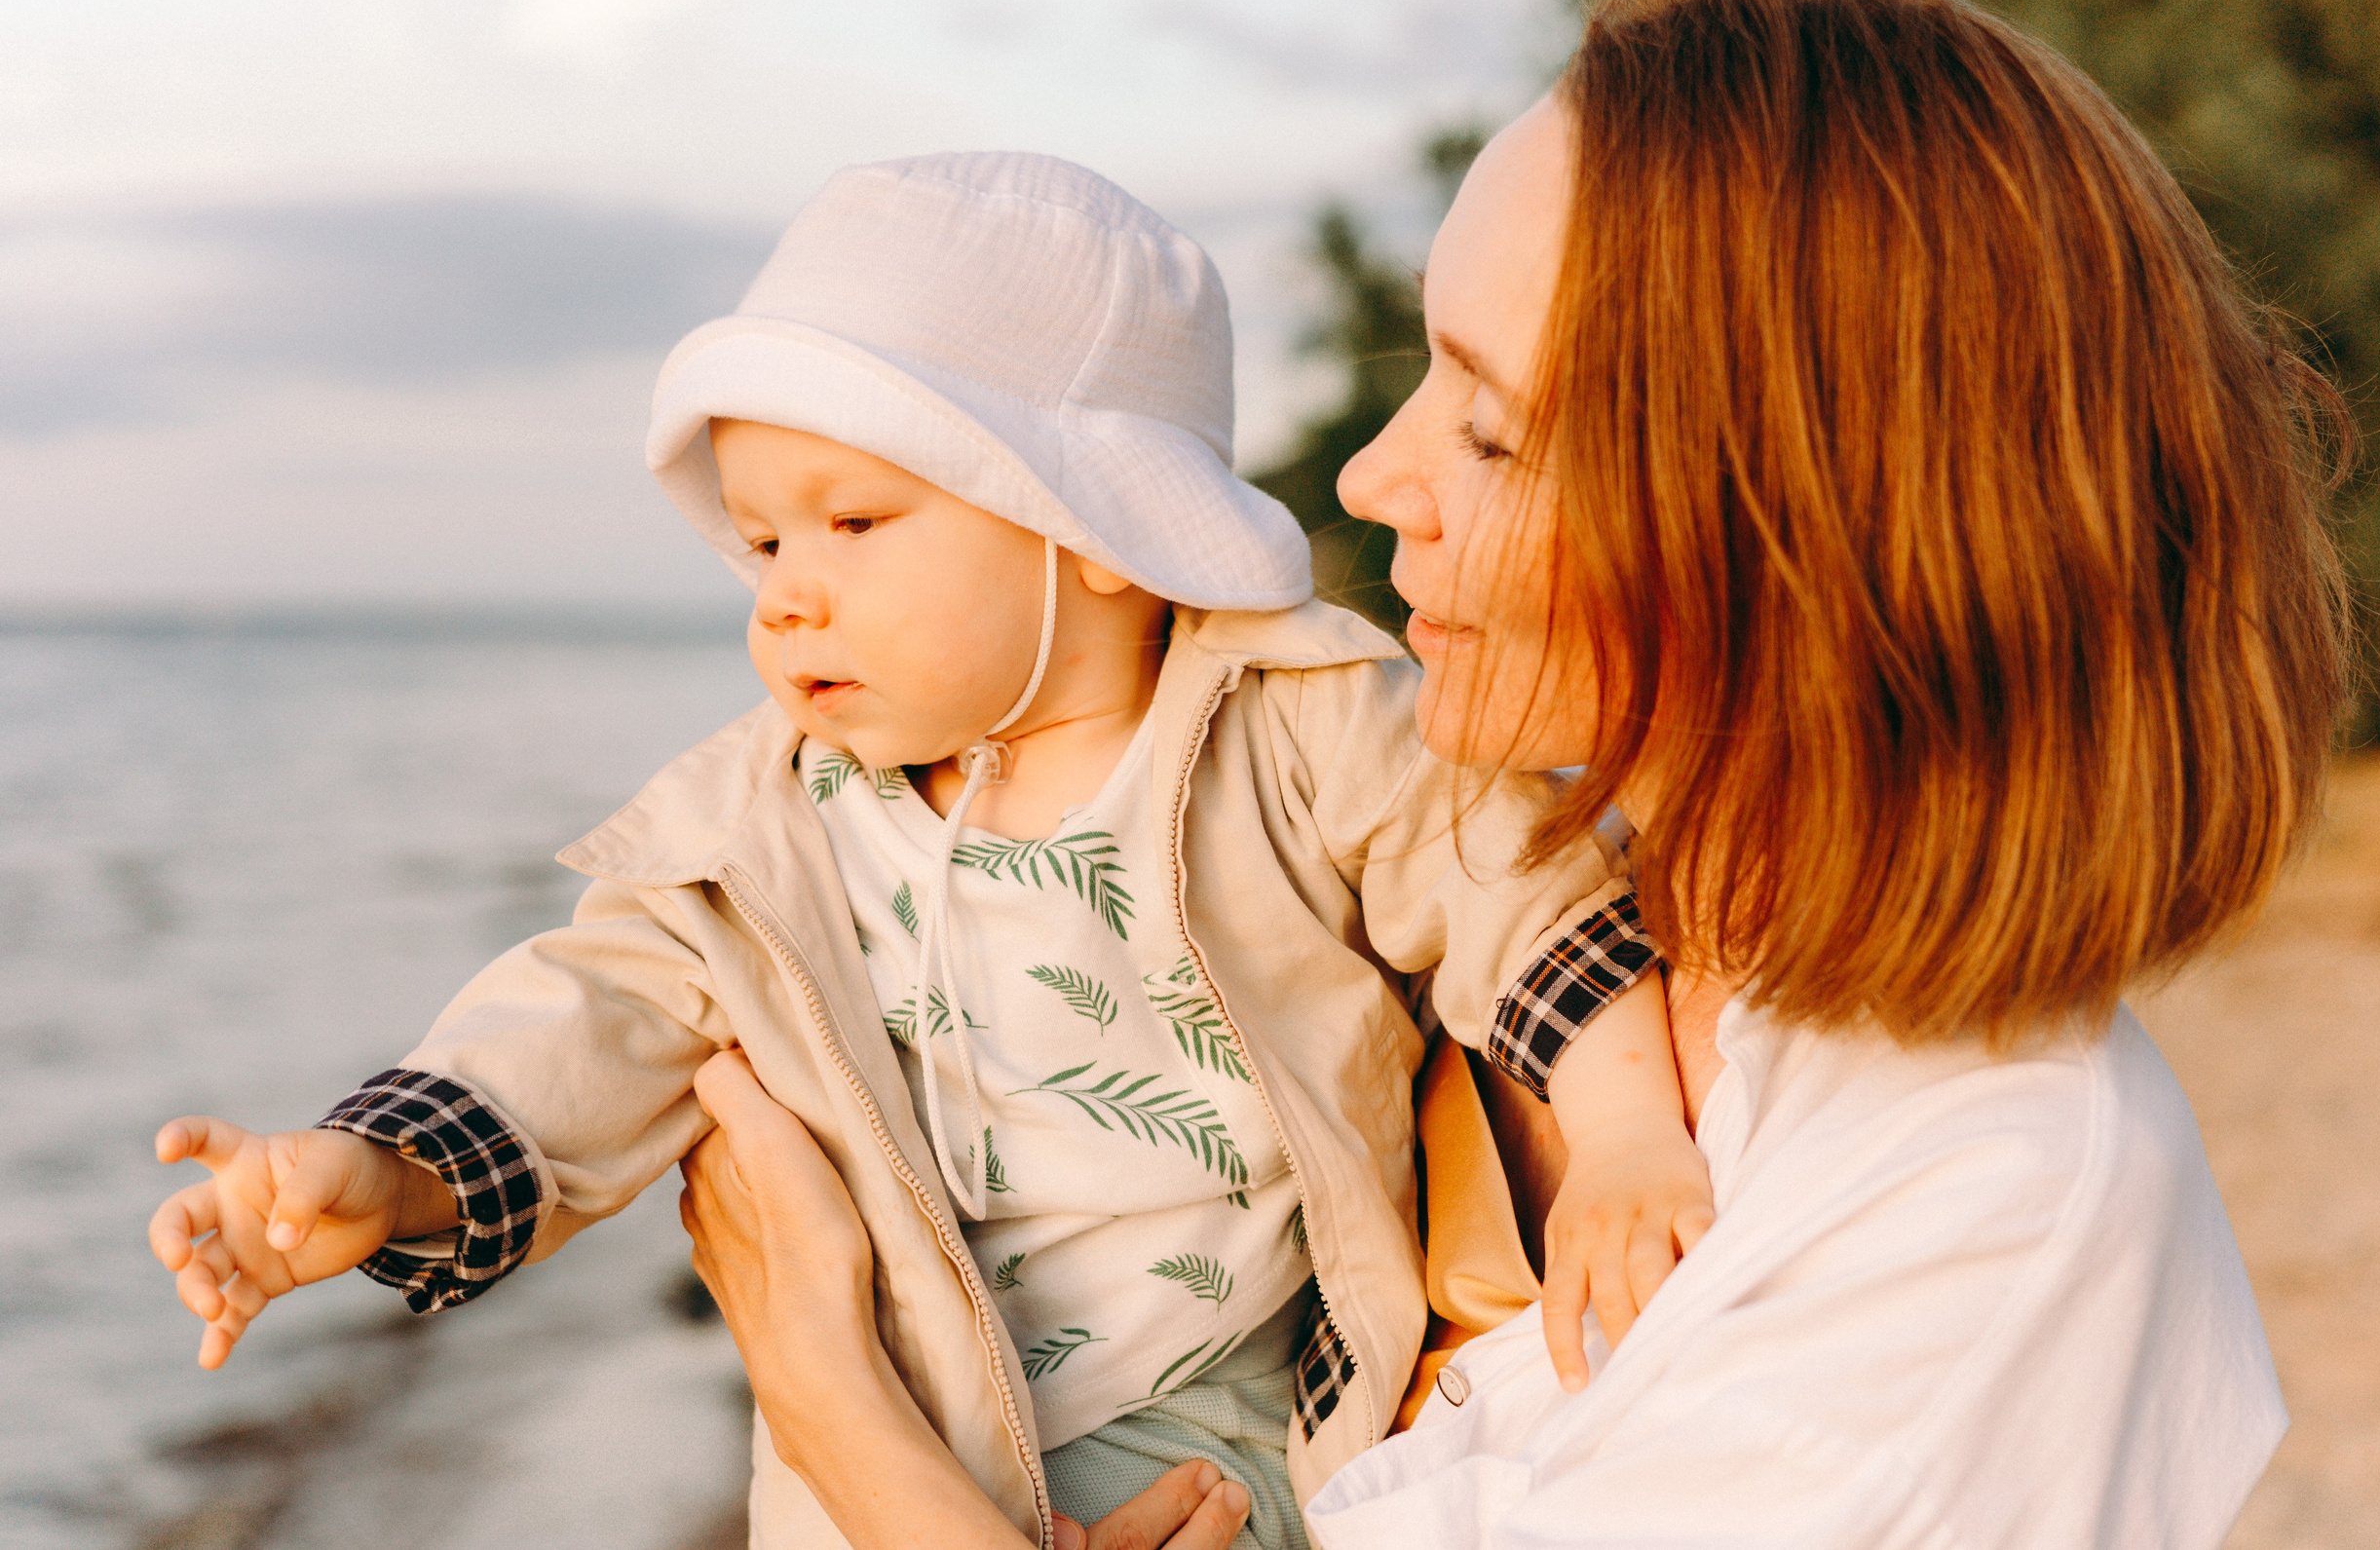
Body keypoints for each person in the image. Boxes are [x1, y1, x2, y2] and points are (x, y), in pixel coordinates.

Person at [674, 0, 2351, 1550]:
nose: (1367, 480)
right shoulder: (1470, 880)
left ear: (1802, 535)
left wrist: (829, 1391)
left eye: (1487, 427)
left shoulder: (1979, 1213)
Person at [143, 152, 1716, 1550]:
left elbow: (1520, 892)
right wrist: (381, 1171)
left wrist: (1632, 1137)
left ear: (1096, 533)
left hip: (1211, 1417)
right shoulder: (767, 825)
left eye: (856, 524)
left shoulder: (1291, 727)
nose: (786, 594)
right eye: (759, 540)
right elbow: (587, 1016)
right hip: (885, 1444)